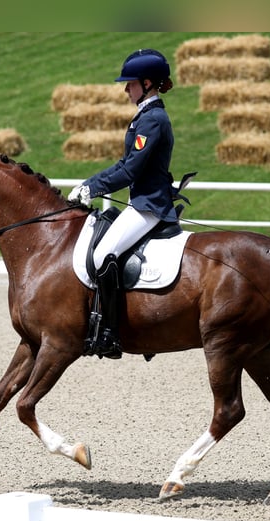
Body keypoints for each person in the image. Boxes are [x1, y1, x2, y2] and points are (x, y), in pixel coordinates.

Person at [68, 48, 179, 360]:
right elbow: (125, 163)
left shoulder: (153, 120)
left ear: (146, 83)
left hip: (149, 205)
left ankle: (110, 331)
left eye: (129, 83)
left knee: (104, 255)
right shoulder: (145, 116)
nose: (125, 89)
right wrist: (90, 183)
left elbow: (131, 170)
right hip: (141, 201)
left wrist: (92, 187)